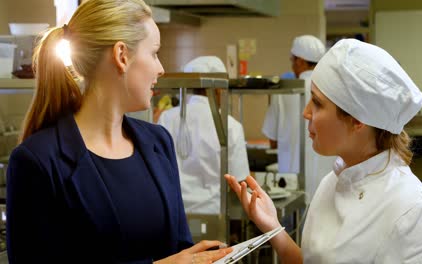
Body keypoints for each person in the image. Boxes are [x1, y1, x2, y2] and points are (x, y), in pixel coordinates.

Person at [6, 0, 232, 263]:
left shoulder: (158, 142)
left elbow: (179, 248)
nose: (160, 68)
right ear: (122, 56)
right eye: (154, 53)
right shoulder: (37, 161)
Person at [226, 39, 422, 263]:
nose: (306, 112)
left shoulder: (414, 213)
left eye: (318, 103)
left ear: (357, 120)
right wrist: (272, 227)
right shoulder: (332, 183)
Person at [158, 56, 250, 214]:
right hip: (214, 212)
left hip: (174, 212)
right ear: (219, 88)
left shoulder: (166, 118)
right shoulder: (231, 126)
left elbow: (159, 170)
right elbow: (240, 181)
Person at [262, 35, 335, 200]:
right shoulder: (331, 90)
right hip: (326, 183)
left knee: (291, 225)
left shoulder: (283, 92)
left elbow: (273, 141)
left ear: (300, 61)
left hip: (291, 184)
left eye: (293, 60)